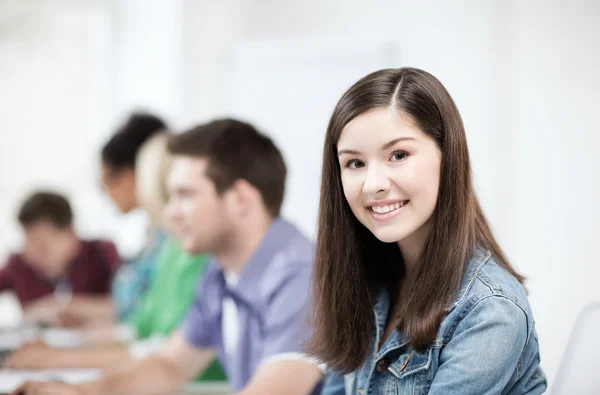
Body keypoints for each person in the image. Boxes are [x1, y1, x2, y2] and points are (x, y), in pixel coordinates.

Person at [11, 118, 323, 395]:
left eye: (185, 195)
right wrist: (80, 391)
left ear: (240, 199)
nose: (170, 212)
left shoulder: (299, 276)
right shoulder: (220, 272)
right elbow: (168, 365)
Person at [308, 67, 547, 394]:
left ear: (448, 158)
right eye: (355, 163)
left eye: (398, 155)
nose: (373, 184)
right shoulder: (367, 281)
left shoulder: (490, 309)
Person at [3, 133, 226, 382]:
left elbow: (159, 353)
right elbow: (138, 332)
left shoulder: (198, 256)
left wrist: (63, 357)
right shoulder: (173, 251)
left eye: (185, 194)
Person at [59, 112, 169, 326]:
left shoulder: (175, 240)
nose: (107, 195)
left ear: (129, 176)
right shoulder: (152, 237)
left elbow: (142, 317)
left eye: (105, 184)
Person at [0, 191, 120, 323]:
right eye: (28, 243)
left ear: (70, 232)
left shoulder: (102, 253)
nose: (32, 253)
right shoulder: (18, 264)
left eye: (43, 246)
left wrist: (66, 308)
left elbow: (128, 306)